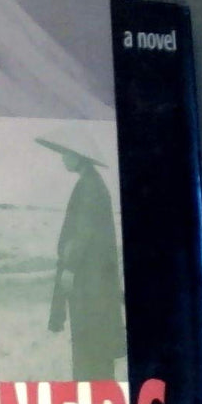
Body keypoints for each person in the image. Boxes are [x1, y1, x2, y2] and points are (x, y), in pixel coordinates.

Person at [38, 132, 126, 380]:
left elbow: (84, 230)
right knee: (94, 336)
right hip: (93, 277)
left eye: (67, 154)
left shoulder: (90, 186)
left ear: (79, 157)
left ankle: (90, 387)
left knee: (89, 336)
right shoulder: (92, 184)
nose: (63, 158)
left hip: (89, 278)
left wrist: (70, 267)